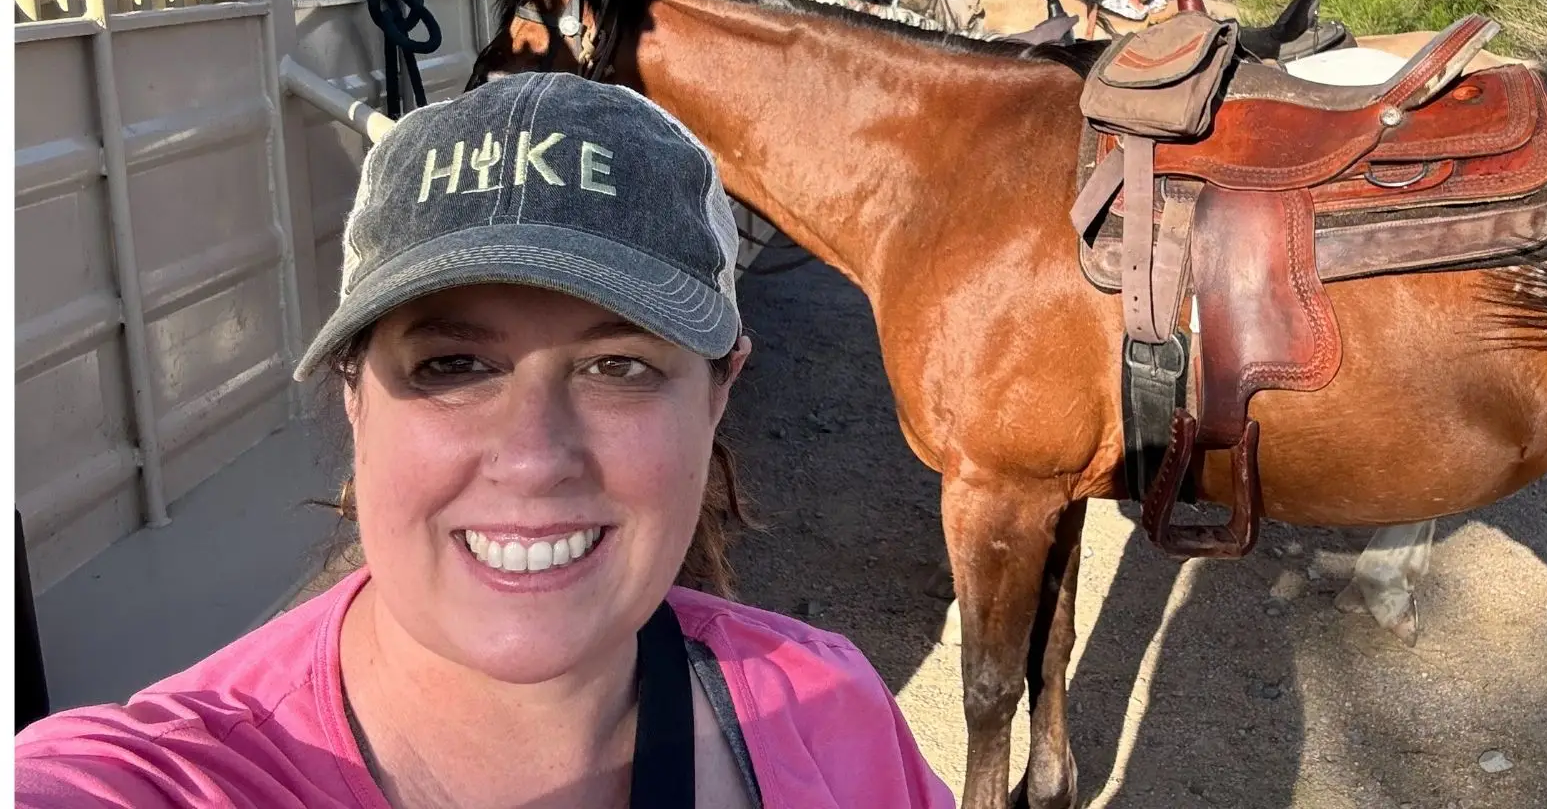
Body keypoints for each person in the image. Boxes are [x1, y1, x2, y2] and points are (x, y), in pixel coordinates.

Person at [15, 72, 954, 808]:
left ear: (719, 394)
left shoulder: (832, 712)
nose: (535, 458)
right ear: (355, 394)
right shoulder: (168, 776)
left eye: (618, 366)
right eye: (452, 366)